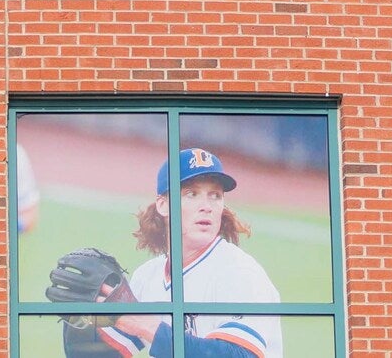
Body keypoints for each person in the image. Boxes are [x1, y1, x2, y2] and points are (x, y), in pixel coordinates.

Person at [45, 146, 281, 358]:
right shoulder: (148, 277)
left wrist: (145, 326)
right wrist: (82, 321)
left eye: (215, 196)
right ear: (163, 205)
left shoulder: (240, 273)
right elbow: (102, 354)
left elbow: (241, 356)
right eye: (192, 194)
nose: (206, 206)